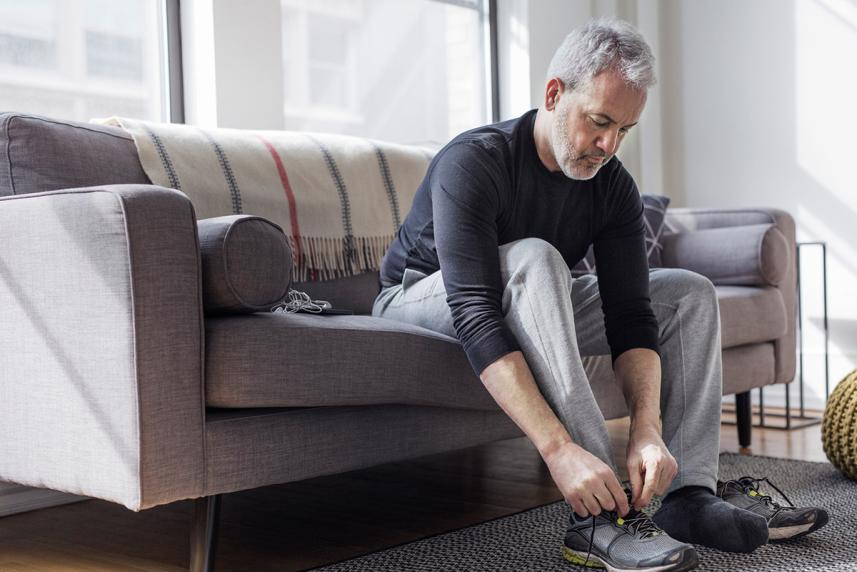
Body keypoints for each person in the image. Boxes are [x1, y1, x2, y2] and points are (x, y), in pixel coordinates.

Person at [372, 18, 827, 571]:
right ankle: (599, 518)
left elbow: (631, 315)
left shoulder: (612, 186)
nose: (609, 145)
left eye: (625, 130)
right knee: (537, 257)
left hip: (529, 291)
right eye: (599, 121)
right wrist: (560, 450)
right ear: (554, 94)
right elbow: (475, 313)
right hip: (421, 299)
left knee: (686, 293)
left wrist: (647, 429)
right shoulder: (475, 162)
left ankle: (688, 497)